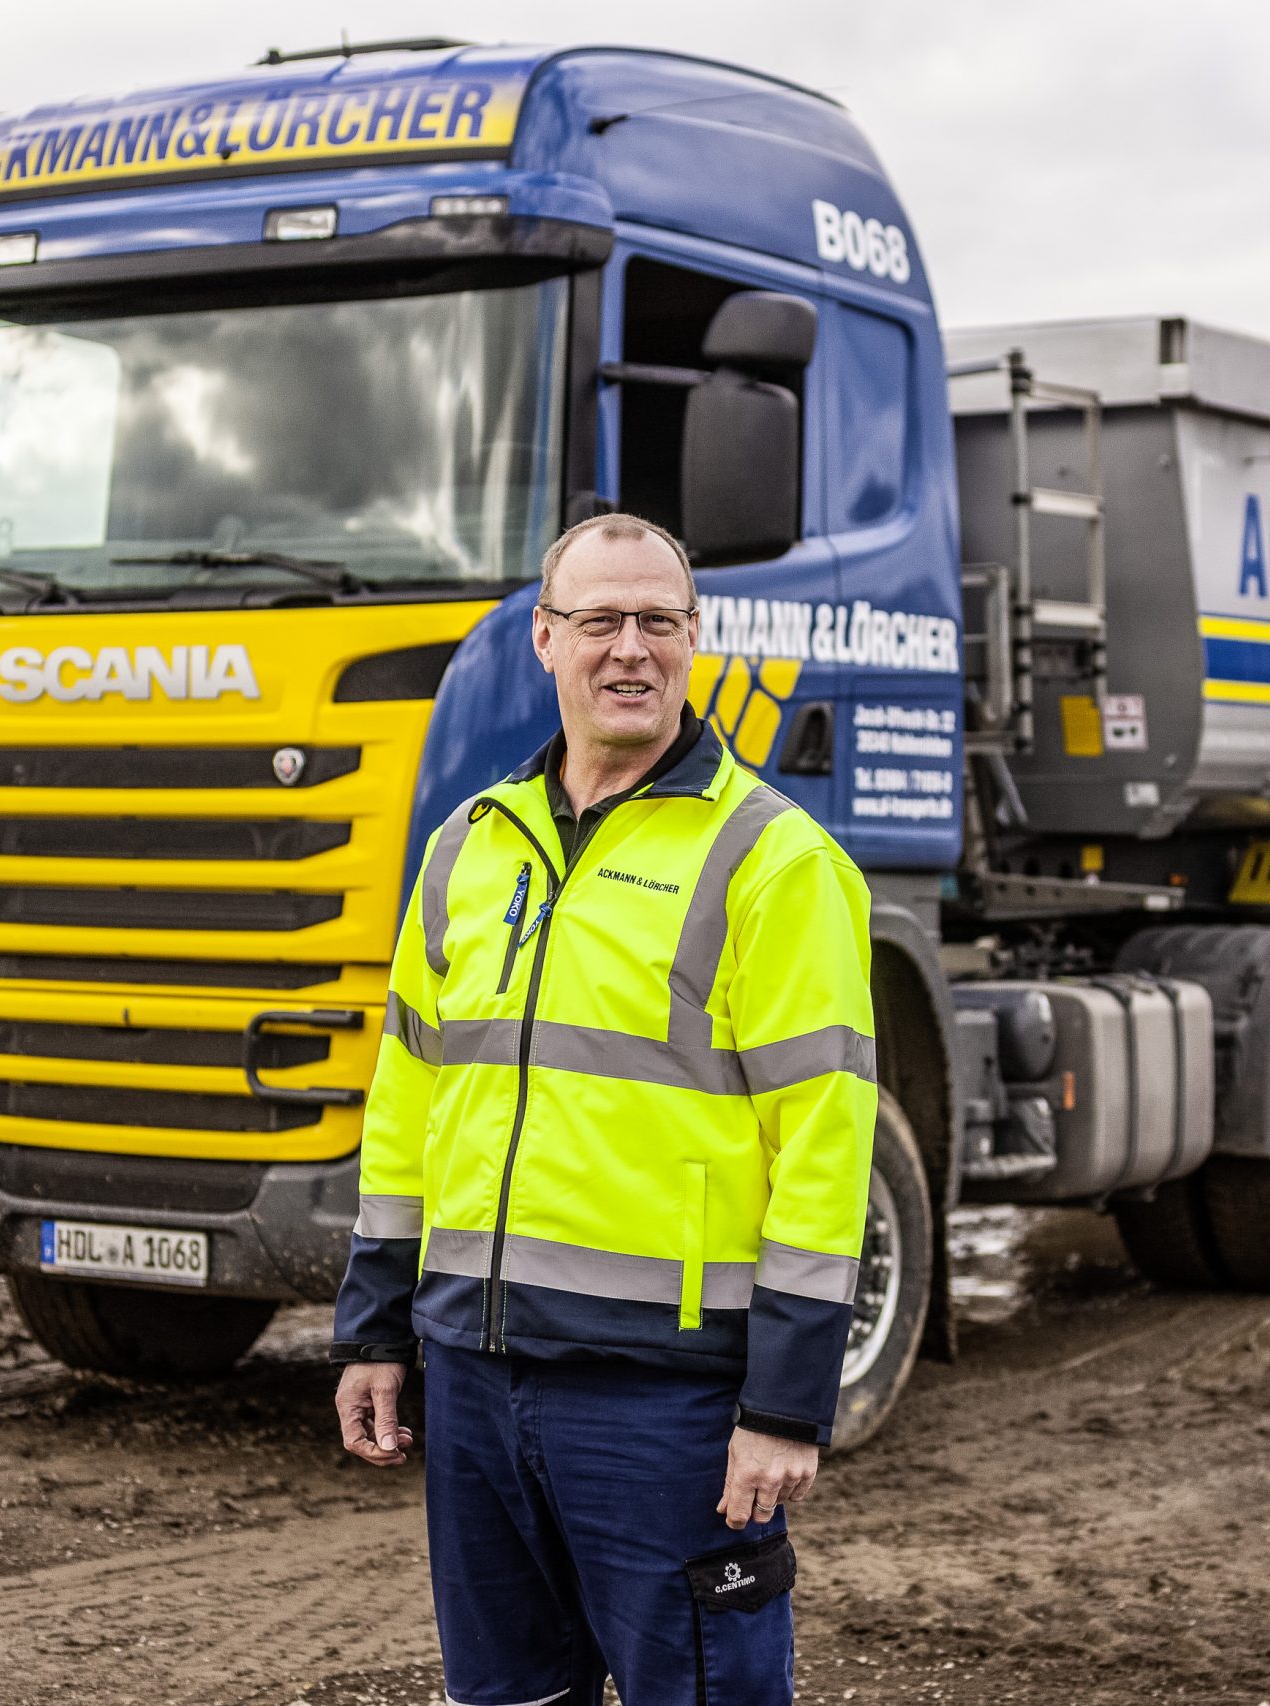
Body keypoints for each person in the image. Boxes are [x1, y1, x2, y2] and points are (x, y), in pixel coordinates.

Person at [331, 512, 878, 1705]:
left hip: (664, 1405)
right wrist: (376, 1327)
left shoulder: (774, 861)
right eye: (597, 621)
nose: (628, 649)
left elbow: (825, 1151)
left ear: (696, 639)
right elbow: (408, 1100)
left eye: (656, 621)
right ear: (543, 638)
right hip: (472, 1383)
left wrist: (786, 1404)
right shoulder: (467, 849)